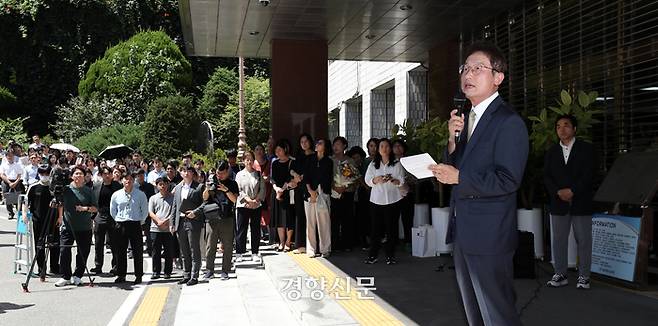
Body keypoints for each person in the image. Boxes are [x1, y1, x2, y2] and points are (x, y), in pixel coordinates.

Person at [430, 41, 528, 326]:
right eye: (465, 68)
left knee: (496, 313)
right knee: (474, 312)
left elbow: (508, 179)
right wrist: (451, 138)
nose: (468, 74)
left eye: (478, 68)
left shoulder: (507, 121)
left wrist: (459, 177)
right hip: (465, 231)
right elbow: (454, 166)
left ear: (498, 78)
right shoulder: (468, 119)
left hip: (490, 236)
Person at [544, 114, 596, 290]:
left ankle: (584, 276)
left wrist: (573, 190)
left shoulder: (586, 149)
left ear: (574, 129)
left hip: (581, 201)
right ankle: (561, 274)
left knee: (583, 240)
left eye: (566, 125)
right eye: (558, 126)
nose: (562, 129)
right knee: (559, 240)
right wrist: (558, 192)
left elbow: (590, 174)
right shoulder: (551, 152)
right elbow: (547, 177)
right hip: (558, 202)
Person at [192, 161, 238, 281]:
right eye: (218, 173)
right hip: (211, 218)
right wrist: (207, 188)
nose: (219, 176)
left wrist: (226, 190)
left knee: (227, 246)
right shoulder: (212, 181)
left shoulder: (233, 183)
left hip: (227, 217)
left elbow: (234, 200)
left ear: (227, 171)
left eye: (222, 173)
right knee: (210, 245)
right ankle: (209, 270)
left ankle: (225, 270)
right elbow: (205, 198)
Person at [364, 138, 405, 265]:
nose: (384, 149)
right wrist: (376, 180)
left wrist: (395, 181)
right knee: (376, 229)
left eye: (387, 146)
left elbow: (401, 180)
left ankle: (390, 255)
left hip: (393, 200)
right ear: (378, 149)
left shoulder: (396, 163)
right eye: (381, 146)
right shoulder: (373, 164)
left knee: (391, 229)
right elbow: (367, 180)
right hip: (377, 200)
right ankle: (373, 255)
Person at [55, 166, 97, 287]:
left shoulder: (88, 190)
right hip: (68, 226)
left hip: (85, 227)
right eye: (76, 174)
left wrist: (85, 208)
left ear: (84, 177)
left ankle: (78, 275)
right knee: (64, 250)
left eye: (81, 174)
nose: (78, 176)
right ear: (72, 176)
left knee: (83, 252)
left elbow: (95, 208)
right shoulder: (66, 189)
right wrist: (60, 216)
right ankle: (65, 276)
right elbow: (59, 202)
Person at [110, 172, 149, 285]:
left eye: (130, 179)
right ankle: (121, 275)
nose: (128, 181)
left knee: (137, 251)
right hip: (121, 224)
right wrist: (118, 220)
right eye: (125, 179)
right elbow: (113, 211)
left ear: (134, 181)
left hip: (135, 224)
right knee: (120, 251)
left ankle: (138, 275)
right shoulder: (116, 195)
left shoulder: (140, 194)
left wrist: (140, 221)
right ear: (122, 181)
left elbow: (144, 210)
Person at [23, 165, 59, 280]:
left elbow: (61, 202)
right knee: (40, 244)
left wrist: (60, 217)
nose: (45, 176)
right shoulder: (33, 187)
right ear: (39, 174)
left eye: (47, 173)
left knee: (54, 244)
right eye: (42, 174)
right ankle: (41, 268)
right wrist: (24, 214)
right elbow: (26, 202)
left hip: (53, 219)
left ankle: (54, 267)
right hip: (38, 220)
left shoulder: (54, 188)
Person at [171, 166, 205, 286]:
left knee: (193, 248)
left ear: (192, 173)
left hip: (193, 220)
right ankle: (186, 274)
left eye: (189, 171)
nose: (186, 173)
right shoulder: (178, 188)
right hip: (180, 221)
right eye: (184, 171)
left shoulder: (199, 187)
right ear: (180, 173)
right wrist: (172, 223)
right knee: (184, 249)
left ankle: (194, 275)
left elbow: (204, 204)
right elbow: (175, 206)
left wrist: (195, 212)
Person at [304, 138, 333, 258]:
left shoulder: (328, 161)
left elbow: (327, 178)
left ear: (325, 147)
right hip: (309, 194)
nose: (317, 145)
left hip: (323, 194)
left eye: (320, 143)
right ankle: (311, 249)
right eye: (316, 143)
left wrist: (318, 191)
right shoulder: (309, 159)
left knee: (324, 223)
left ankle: (325, 248)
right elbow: (306, 176)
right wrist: (311, 191)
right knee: (310, 223)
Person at [235, 152, 266, 263]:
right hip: (243, 205)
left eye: (251, 159)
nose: (249, 162)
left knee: (255, 229)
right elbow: (238, 190)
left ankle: (255, 252)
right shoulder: (239, 174)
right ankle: (239, 252)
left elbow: (262, 189)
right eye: (246, 159)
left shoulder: (258, 174)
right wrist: (247, 200)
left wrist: (256, 200)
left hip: (256, 205)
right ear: (243, 161)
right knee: (241, 229)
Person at [90, 166, 122, 275]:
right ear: (101, 175)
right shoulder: (96, 186)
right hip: (100, 216)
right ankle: (98, 266)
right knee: (98, 243)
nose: (107, 176)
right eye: (104, 174)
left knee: (114, 243)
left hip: (113, 217)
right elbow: (93, 201)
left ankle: (116, 266)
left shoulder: (118, 186)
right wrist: (94, 216)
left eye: (109, 173)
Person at [330, 136, 358, 252]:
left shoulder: (349, 161)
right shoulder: (330, 160)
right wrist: (335, 187)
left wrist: (345, 187)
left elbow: (354, 179)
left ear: (344, 146)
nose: (336, 147)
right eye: (334, 144)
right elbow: (327, 177)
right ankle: (335, 243)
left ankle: (347, 243)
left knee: (347, 218)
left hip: (347, 193)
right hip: (334, 192)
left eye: (338, 144)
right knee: (334, 219)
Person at [270, 139, 298, 252]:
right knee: (279, 219)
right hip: (277, 193)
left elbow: (290, 179)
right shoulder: (275, 163)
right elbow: (272, 179)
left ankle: (288, 242)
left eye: (280, 150)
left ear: (285, 150)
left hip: (288, 193)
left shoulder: (292, 162)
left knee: (289, 218)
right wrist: (277, 189)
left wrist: (283, 189)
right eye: (276, 150)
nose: (277, 152)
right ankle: (281, 242)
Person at [148, 177, 176, 279]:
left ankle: (167, 272)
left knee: (169, 251)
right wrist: (159, 221)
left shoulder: (173, 198)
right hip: (155, 228)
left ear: (168, 184)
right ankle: (156, 271)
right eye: (160, 184)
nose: (163, 186)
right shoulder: (153, 198)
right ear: (157, 185)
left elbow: (174, 212)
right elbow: (151, 212)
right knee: (156, 251)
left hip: (168, 228)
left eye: (164, 184)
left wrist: (166, 221)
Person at [292, 133, 314, 254]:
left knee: (311, 218)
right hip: (299, 189)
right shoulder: (299, 156)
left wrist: (303, 176)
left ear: (310, 142)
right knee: (300, 215)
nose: (304, 144)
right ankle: (300, 244)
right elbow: (293, 169)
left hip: (311, 189)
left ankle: (312, 244)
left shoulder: (315, 156)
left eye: (306, 141)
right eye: (301, 142)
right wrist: (295, 175)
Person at [393, 139, 415, 250]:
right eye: (395, 146)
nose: (397, 148)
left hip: (407, 193)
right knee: (393, 218)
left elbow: (414, 176)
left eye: (400, 146)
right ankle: (394, 241)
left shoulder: (408, 161)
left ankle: (408, 241)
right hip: (393, 194)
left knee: (407, 218)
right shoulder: (390, 161)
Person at [348, 145, 371, 250]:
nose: (356, 160)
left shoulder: (366, 166)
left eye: (357, 157)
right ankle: (356, 239)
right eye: (353, 158)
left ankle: (364, 239)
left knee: (364, 217)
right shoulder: (348, 167)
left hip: (363, 196)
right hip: (351, 195)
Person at [254, 144, 273, 244]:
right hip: (256, 194)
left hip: (268, 193)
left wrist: (268, 179)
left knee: (268, 214)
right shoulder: (252, 164)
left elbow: (272, 176)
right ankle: (259, 236)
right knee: (257, 215)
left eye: (261, 149)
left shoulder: (269, 163)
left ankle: (271, 237)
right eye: (257, 149)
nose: (259, 151)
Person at [136, 169, 156, 256]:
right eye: (138, 175)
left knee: (148, 232)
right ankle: (135, 250)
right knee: (136, 233)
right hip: (136, 212)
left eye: (142, 175)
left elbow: (152, 199)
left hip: (147, 211)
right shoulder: (133, 187)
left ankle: (150, 249)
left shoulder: (149, 186)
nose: (140, 177)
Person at [1, 149, 24, 219]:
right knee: (7, 198)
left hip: (16, 181)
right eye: (8, 155)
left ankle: (19, 213)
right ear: (6, 156)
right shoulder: (3, 165)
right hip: (6, 182)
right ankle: (10, 213)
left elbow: (20, 175)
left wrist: (15, 182)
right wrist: (9, 182)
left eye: (11, 155)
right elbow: (2, 175)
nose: (10, 157)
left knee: (18, 198)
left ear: (13, 156)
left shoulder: (17, 165)